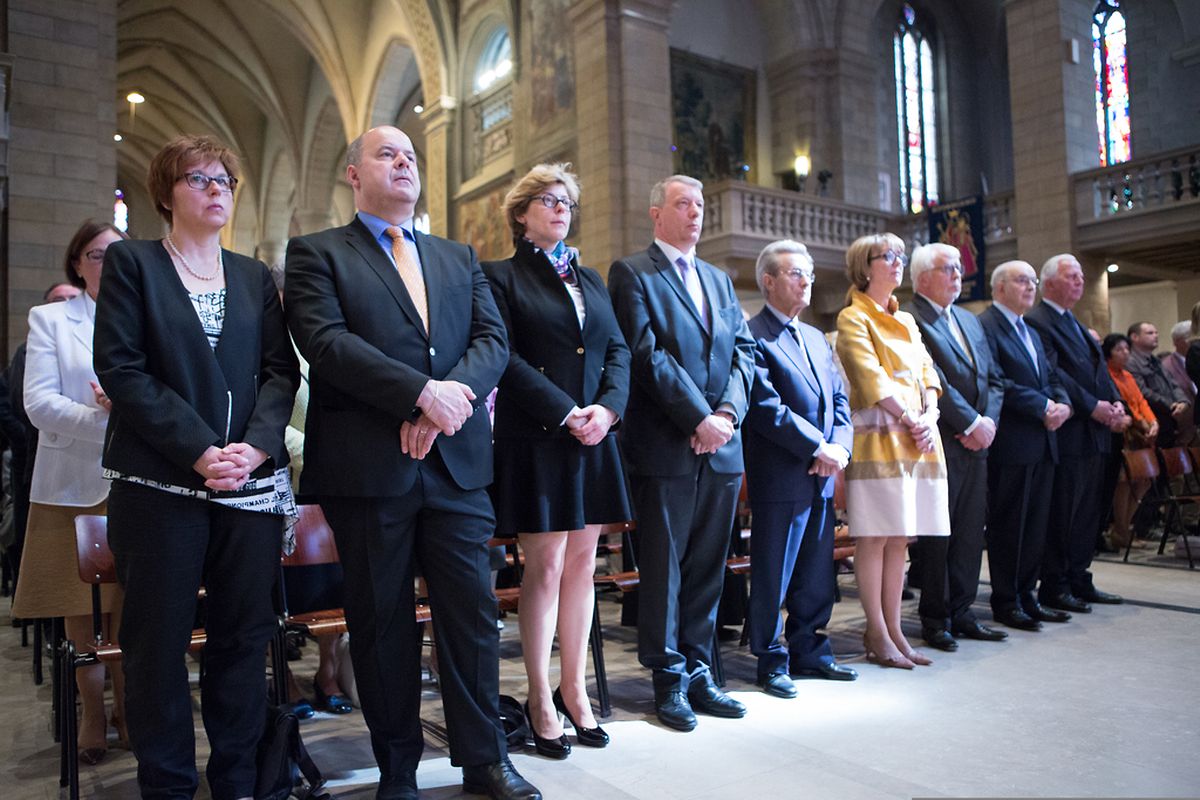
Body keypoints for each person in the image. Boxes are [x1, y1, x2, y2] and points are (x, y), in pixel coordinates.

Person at [284, 125, 540, 800]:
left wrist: (443, 403)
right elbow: (326, 343)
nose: (404, 163)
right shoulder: (317, 254)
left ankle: (484, 759)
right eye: (386, 154)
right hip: (369, 468)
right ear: (353, 175)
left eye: (411, 156)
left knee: (471, 618)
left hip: (455, 466)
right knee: (382, 624)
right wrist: (418, 394)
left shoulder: (458, 257)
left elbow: (493, 339)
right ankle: (398, 769)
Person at [93, 134, 299, 800]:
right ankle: (169, 786)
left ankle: (236, 781)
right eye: (199, 179)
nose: (216, 190)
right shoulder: (134, 264)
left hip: (247, 486)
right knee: (156, 649)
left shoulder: (252, 275)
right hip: (161, 486)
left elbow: (279, 371)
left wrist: (258, 447)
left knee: (243, 640)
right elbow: (122, 368)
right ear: (166, 192)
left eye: (225, 181)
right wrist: (199, 449)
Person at [482, 163, 630, 755]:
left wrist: (608, 410)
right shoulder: (499, 278)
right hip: (541, 438)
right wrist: (566, 411)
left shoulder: (591, 279)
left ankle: (576, 688)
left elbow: (616, 351)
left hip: (594, 437)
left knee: (583, 566)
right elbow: (505, 357)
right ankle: (539, 694)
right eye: (546, 200)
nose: (559, 208)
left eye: (566, 201)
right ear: (521, 215)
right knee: (543, 568)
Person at [607, 174, 754, 731]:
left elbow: (744, 352)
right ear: (656, 213)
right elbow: (645, 354)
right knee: (665, 568)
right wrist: (698, 417)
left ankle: (700, 670)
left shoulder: (718, 279)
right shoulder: (632, 272)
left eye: (699, 205)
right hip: (666, 443)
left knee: (707, 569)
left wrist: (726, 416)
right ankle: (667, 678)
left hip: (720, 446)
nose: (695, 213)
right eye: (682, 204)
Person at [11, 221, 127, 764]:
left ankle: (130, 707)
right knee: (81, 611)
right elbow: (39, 403)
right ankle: (92, 711)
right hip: (75, 485)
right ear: (76, 263)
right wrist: (112, 420)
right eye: (96, 254)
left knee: (136, 607)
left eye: (118, 253)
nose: (108, 261)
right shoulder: (52, 319)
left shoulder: (150, 318)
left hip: (141, 483)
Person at [743, 240, 855, 699]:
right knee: (776, 571)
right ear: (768, 281)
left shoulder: (815, 337)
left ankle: (810, 649)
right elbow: (765, 408)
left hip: (824, 472)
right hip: (781, 471)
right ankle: (771, 659)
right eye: (795, 273)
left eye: (808, 273)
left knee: (815, 570)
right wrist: (819, 446)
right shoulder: (752, 335)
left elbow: (841, 400)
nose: (806, 280)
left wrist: (841, 450)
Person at [835, 233, 950, 669]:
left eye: (900, 255)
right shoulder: (852, 317)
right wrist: (911, 418)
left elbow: (927, 371)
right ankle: (877, 631)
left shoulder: (906, 319)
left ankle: (896, 630)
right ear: (866, 266)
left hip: (917, 436)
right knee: (876, 534)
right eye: (889, 256)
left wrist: (931, 416)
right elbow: (869, 378)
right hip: (880, 435)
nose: (898, 262)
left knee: (900, 537)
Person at [901, 243, 1008, 651]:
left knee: (968, 531)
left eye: (959, 268)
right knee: (938, 534)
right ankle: (936, 617)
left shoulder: (968, 318)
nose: (958, 275)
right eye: (949, 268)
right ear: (924, 276)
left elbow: (993, 377)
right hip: (941, 439)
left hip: (977, 439)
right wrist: (968, 422)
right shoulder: (912, 316)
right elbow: (932, 378)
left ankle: (963, 611)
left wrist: (988, 422)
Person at [267, 261, 351, 719]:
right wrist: (314, 450)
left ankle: (329, 672)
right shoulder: (267, 345)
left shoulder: (323, 341)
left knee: (332, 589)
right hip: (288, 482)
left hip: (331, 481)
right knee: (284, 592)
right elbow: (271, 418)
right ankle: (286, 679)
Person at [1025, 254, 1124, 611]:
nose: (1080, 281)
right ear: (1049, 282)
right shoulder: (1038, 321)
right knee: (1064, 512)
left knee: (1088, 513)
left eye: (1081, 275)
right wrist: (1092, 407)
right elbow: (1057, 376)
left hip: (1094, 433)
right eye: (1072, 276)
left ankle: (1080, 576)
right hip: (1070, 432)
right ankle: (1057, 583)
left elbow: (1099, 371)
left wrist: (1114, 403)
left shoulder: (1075, 322)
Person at [977, 261, 1071, 631]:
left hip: (1043, 440)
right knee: (1009, 526)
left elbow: (1050, 375)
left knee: (1036, 526)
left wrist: (1061, 402)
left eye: (1033, 281)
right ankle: (1006, 600)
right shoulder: (986, 326)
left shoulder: (1028, 330)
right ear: (999, 287)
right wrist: (1043, 406)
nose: (1030, 287)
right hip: (1013, 441)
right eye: (1022, 281)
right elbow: (997, 381)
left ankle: (1026, 596)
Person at [3, 282, 84, 593]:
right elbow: (23, 405)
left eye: (70, 298)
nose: (65, 304)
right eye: (58, 299)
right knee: (55, 564)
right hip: (39, 453)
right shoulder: (29, 349)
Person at [1102, 333, 1158, 550]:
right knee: (1123, 482)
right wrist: (1141, 422)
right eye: (1119, 349)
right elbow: (1123, 404)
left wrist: (1152, 421)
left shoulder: (1128, 375)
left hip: (1140, 433)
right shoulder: (1108, 374)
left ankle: (1123, 528)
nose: (1125, 353)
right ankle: (1121, 530)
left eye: (1127, 349)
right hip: (1126, 434)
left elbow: (1141, 401)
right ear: (1108, 353)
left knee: (1143, 481)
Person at [1126, 322, 1188, 447]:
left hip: (1168, 422)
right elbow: (1142, 391)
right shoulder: (1130, 362)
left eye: (1156, 332)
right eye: (1150, 333)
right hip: (1151, 423)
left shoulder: (1156, 361)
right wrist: (1171, 404)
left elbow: (1173, 383)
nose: (1155, 336)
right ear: (1134, 337)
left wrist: (1183, 401)